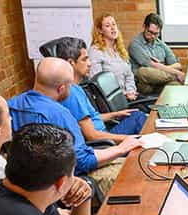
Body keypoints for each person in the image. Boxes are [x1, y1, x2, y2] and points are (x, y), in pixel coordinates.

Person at [8, 57, 141, 196]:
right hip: (65, 184)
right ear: (61, 88)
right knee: (136, 171)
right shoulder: (60, 114)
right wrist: (121, 148)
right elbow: (82, 161)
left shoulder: (11, 106)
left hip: (26, 185)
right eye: (70, 85)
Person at [54, 37, 147, 138]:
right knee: (138, 118)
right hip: (104, 141)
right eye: (84, 59)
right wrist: (128, 138)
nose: (90, 64)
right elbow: (92, 136)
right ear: (71, 63)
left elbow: (92, 118)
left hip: (104, 132)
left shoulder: (77, 88)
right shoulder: (71, 94)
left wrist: (115, 114)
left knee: (137, 115)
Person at [128, 13, 184, 94]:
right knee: (143, 71)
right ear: (144, 27)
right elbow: (152, 65)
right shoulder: (135, 44)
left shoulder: (161, 44)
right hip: (145, 84)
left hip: (161, 82)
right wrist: (177, 73)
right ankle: (175, 77)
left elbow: (178, 65)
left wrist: (163, 68)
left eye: (156, 33)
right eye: (150, 32)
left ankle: (174, 80)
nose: (153, 36)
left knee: (176, 86)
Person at [89, 13, 140, 101]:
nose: (113, 28)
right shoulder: (95, 51)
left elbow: (129, 75)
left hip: (129, 96)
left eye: (114, 24)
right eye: (108, 26)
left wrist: (131, 91)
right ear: (100, 30)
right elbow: (97, 82)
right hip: (112, 100)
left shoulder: (120, 50)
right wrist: (124, 94)